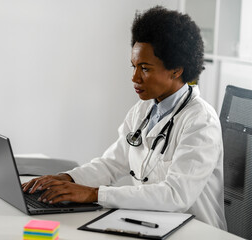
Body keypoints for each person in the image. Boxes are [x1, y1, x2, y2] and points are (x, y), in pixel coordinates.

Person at [22, 6, 227, 230]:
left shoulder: (200, 122)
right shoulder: (143, 110)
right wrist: (68, 179)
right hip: (151, 223)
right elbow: (111, 165)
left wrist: (93, 194)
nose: (134, 77)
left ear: (176, 70)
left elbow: (175, 195)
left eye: (145, 68)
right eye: (134, 66)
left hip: (194, 231)